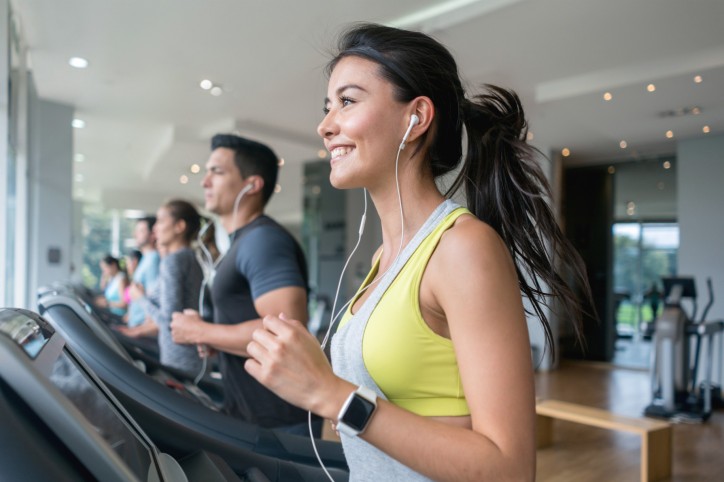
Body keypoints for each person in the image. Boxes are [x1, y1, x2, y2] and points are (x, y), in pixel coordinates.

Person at [243, 23, 591, 481]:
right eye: (327, 107)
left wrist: (333, 396)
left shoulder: (462, 248)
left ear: (417, 117)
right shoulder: (379, 260)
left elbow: (509, 469)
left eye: (347, 102)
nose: (325, 126)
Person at [170, 133, 314, 434]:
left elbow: (285, 331)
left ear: (252, 185)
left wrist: (200, 330)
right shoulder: (242, 243)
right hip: (251, 413)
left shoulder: (263, 240)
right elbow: (249, 321)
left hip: (278, 421)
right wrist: (215, 338)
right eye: (207, 172)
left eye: (217, 172)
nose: (205, 181)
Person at [123, 200, 205, 374]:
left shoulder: (173, 261)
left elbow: (169, 323)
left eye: (161, 221)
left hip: (179, 357)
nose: (155, 229)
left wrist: (140, 298)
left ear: (179, 226)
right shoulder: (191, 258)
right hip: (191, 356)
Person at [126, 216, 161, 328]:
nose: (135, 235)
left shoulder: (154, 259)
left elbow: (154, 300)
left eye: (141, 231)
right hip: (136, 325)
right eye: (136, 231)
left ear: (152, 235)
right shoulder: (146, 259)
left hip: (142, 327)